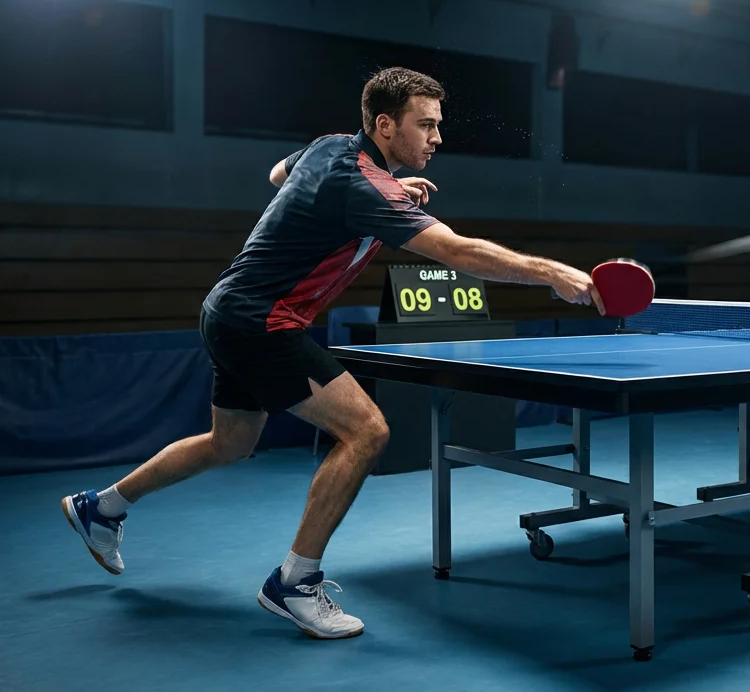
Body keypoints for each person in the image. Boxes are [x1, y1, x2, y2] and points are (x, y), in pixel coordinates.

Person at [60, 66, 607, 639]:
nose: (437, 138)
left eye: (438, 126)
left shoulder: (328, 149)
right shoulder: (364, 186)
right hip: (261, 321)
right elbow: (455, 251)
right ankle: (295, 583)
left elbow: (279, 174)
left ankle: (104, 508)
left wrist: (379, 190)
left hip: (226, 308)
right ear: (385, 124)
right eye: (426, 126)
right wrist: (550, 273)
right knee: (367, 431)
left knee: (232, 441)